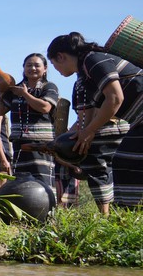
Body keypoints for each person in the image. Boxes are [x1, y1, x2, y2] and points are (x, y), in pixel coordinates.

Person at [46, 32, 143, 209]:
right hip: (138, 121)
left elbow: (114, 98)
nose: (57, 70)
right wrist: (79, 136)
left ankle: (129, 216)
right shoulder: (84, 77)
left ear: (61, 56)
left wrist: (89, 131)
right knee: (125, 162)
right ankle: (128, 217)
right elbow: (87, 116)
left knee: (124, 161)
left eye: (53, 64)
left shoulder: (94, 60)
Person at [0, 53, 59, 189]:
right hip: (20, 142)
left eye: (37, 65)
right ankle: (24, 210)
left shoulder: (49, 87)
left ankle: (48, 210)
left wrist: (25, 94)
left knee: (42, 180)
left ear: (45, 68)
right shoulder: (16, 88)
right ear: (23, 68)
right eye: (29, 65)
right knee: (21, 182)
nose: (33, 68)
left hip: (41, 143)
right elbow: (0, 110)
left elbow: (45, 107)